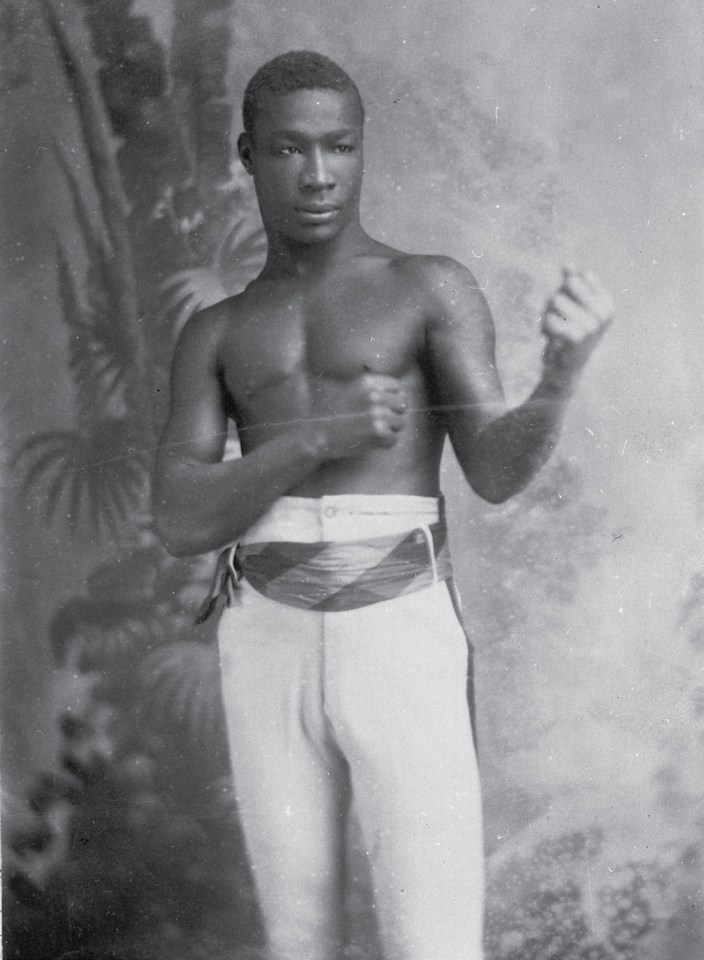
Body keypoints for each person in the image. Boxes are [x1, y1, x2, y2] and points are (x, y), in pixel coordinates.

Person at [153, 50, 614, 960]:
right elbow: (179, 520)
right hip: (264, 640)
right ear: (247, 154)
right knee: (299, 943)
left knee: (435, 943)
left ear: (363, 152)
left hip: (397, 629)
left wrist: (560, 379)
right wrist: (313, 439)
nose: (319, 175)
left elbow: (493, 469)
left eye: (340, 147)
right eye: (289, 150)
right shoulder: (216, 331)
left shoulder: (426, 287)